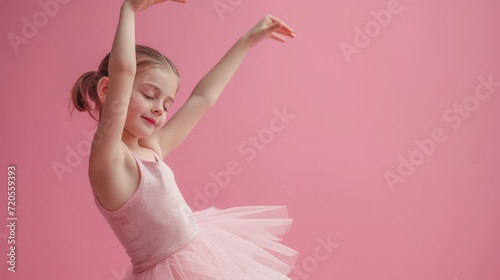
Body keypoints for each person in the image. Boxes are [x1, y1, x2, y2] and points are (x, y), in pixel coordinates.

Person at [70, 0, 297, 279]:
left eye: (166, 103)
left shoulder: (153, 147)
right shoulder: (109, 160)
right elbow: (123, 71)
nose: (159, 108)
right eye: (149, 95)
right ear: (108, 90)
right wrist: (129, 8)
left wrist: (245, 43)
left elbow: (203, 97)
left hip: (203, 254)